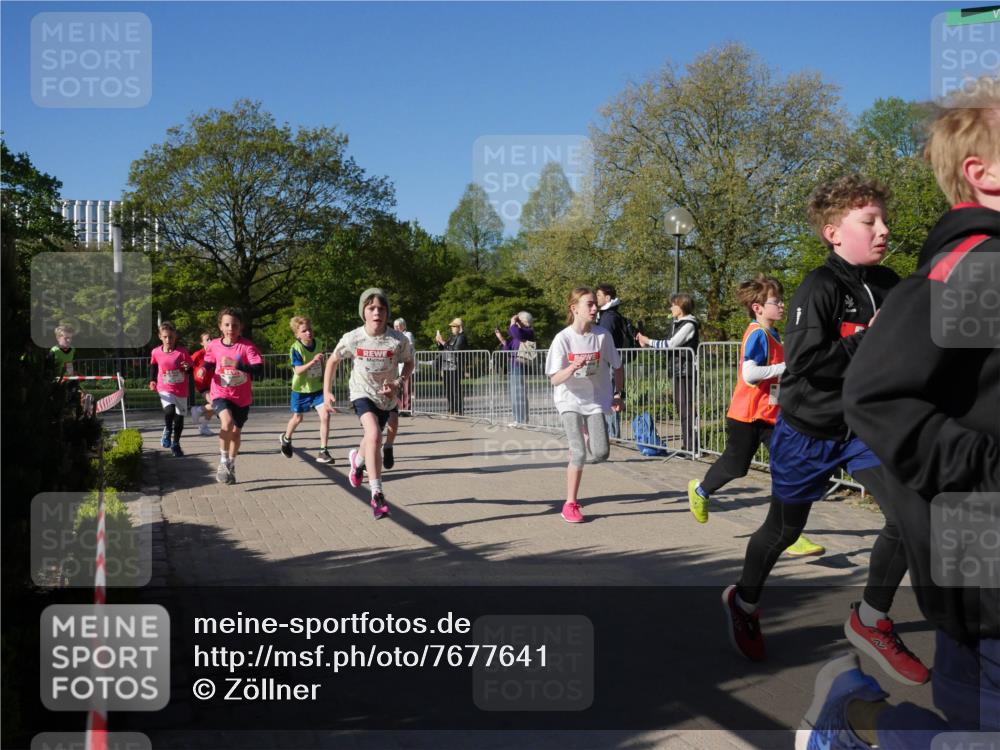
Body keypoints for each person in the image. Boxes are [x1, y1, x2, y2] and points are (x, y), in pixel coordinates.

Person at [798, 85, 1000, 750]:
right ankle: (855, 715)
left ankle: (856, 687)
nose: (882, 231)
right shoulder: (977, 267)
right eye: (867, 222)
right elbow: (876, 393)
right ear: (984, 172)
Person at [720, 175, 929, 690]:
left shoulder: (889, 283)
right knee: (785, 530)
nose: (883, 230)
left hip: (862, 427)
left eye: (884, 219)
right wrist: (869, 340)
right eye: (869, 221)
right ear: (834, 233)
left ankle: (871, 618)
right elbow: (807, 360)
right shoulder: (820, 286)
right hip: (808, 429)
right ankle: (744, 600)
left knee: (909, 515)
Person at [686, 274, 824, 557]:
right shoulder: (758, 334)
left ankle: (789, 533)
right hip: (746, 416)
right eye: (776, 301)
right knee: (737, 467)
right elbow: (750, 374)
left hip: (770, 416)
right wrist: (787, 368)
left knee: (787, 469)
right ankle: (700, 490)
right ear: (758, 307)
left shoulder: (773, 334)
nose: (783, 305)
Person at [324, 288, 414, 519]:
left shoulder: (398, 340)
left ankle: (357, 460)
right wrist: (326, 392)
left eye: (381, 309)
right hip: (361, 393)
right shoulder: (353, 338)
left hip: (386, 398)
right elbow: (333, 361)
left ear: (387, 313)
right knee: (374, 434)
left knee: (370, 439)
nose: (377, 313)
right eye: (371, 308)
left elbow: (409, 362)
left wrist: (398, 382)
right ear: (363, 312)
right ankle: (377, 494)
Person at [545, 287, 624, 524]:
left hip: (595, 400)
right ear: (574, 308)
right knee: (578, 451)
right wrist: (572, 367)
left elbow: (618, 367)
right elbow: (554, 379)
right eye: (589, 304)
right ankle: (570, 503)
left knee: (601, 452)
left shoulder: (602, 336)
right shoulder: (563, 338)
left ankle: (577, 453)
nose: (594, 308)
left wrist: (618, 394)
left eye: (594, 304)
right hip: (568, 399)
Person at [202, 307, 264, 485]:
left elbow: (258, 370)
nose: (231, 328)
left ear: (241, 327)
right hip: (220, 393)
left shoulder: (247, 347)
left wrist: (237, 364)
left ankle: (231, 463)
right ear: (220, 326)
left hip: (241, 398)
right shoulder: (214, 344)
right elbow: (209, 360)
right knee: (226, 422)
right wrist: (203, 370)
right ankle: (222, 462)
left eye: (235, 325)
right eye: (227, 324)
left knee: (236, 434)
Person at [636, 293, 699, 452]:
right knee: (682, 408)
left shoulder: (689, 324)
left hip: (686, 371)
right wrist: (649, 345)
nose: (671, 308)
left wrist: (648, 341)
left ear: (681, 306)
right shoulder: (676, 324)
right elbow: (666, 347)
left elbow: (671, 344)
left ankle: (692, 446)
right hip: (678, 371)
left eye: (673, 305)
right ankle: (688, 445)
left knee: (686, 409)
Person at [279, 316, 332, 463]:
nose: (309, 333)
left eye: (310, 329)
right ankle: (286, 438)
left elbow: (321, 362)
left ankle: (323, 451)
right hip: (301, 389)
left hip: (317, 388)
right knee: (298, 418)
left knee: (325, 416)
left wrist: (324, 378)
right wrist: (312, 361)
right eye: (304, 331)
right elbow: (298, 370)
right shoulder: (295, 348)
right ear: (297, 334)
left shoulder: (319, 343)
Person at [595, 284, 636, 439]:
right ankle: (612, 433)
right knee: (610, 395)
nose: (596, 298)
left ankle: (612, 434)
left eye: (599, 295)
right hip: (612, 360)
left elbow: (604, 339)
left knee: (610, 396)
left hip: (610, 362)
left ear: (607, 298)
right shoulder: (609, 315)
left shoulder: (609, 317)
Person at [148, 321, 193, 457]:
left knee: (179, 420)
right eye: (165, 337)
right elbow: (154, 366)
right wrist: (152, 380)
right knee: (169, 411)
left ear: (175, 336)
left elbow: (190, 369)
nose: (168, 340)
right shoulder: (156, 352)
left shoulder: (182, 352)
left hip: (181, 389)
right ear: (160, 336)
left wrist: (187, 368)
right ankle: (167, 430)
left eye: (171, 337)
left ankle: (176, 444)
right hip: (164, 387)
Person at [494, 311, 536, 426]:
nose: (517, 323)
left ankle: (521, 420)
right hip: (514, 365)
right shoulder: (519, 335)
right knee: (515, 393)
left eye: (519, 320)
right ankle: (519, 419)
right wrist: (501, 339)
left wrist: (513, 322)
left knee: (519, 393)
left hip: (520, 365)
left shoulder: (528, 331)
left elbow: (515, 332)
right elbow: (508, 348)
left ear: (525, 321)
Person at [435, 318, 467, 416]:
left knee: (455, 389)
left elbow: (455, 350)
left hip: (455, 366)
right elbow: (444, 349)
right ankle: (451, 409)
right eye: (452, 326)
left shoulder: (461, 337)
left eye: (454, 326)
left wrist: (443, 342)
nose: (452, 328)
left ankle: (458, 410)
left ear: (459, 327)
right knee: (448, 388)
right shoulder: (452, 337)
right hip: (447, 366)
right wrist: (439, 342)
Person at [48, 324, 81, 407]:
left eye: (70, 338)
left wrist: (73, 373)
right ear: (58, 338)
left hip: (69, 379)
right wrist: (57, 379)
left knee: (77, 393)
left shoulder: (72, 350)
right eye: (66, 338)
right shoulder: (54, 351)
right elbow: (49, 369)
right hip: (56, 382)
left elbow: (70, 363)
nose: (69, 340)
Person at [189, 331, 215, 436]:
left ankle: (203, 426)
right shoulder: (198, 355)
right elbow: (187, 365)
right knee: (215, 404)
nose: (210, 341)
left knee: (215, 407)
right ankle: (197, 410)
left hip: (214, 384)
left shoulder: (215, 353)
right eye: (207, 339)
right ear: (202, 343)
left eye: (211, 339)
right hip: (202, 384)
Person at [393, 318, 416, 413]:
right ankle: (399, 408)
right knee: (397, 388)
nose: (397, 328)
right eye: (395, 326)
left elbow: (408, 347)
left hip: (406, 366)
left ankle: (406, 409)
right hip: (397, 366)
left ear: (403, 326)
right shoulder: (394, 336)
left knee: (406, 389)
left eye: (399, 326)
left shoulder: (408, 334)